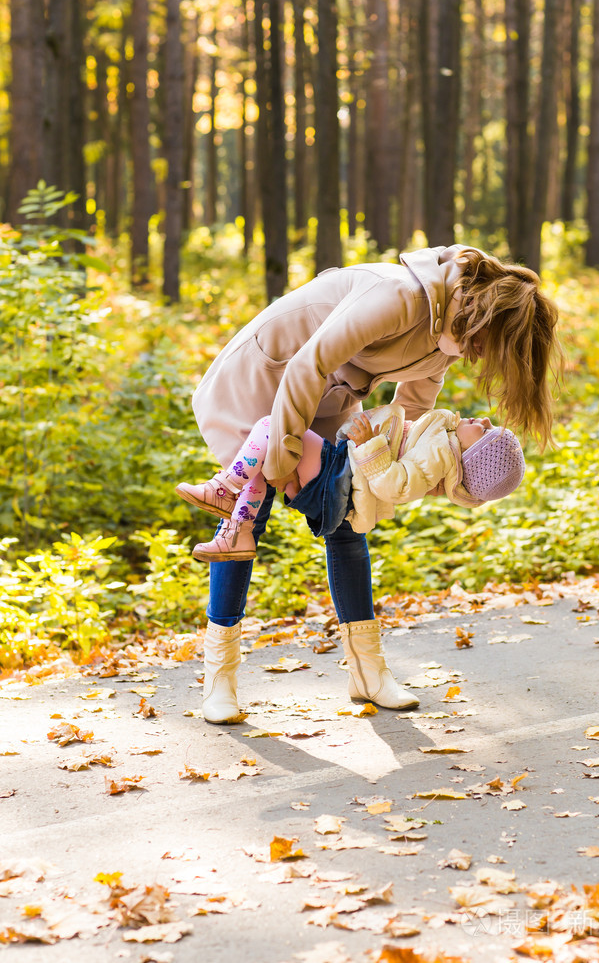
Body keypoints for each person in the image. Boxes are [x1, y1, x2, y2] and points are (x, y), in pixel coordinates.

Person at [186, 244, 560, 725]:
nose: (485, 357)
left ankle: (368, 671)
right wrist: (281, 457)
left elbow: (413, 416)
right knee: (245, 519)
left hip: (325, 394)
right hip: (269, 377)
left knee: (348, 522)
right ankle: (220, 679)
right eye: (495, 344)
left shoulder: (448, 335)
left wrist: (403, 474)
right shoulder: (400, 297)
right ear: (485, 314)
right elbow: (306, 364)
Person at [176, 409, 525, 562]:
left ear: (470, 455)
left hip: (338, 475)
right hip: (340, 476)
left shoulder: (440, 455)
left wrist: (371, 444)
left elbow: (395, 486)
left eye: (485, 431)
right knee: (267, 465)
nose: (483, 419)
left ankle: (223, 489)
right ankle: (239, 532)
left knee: (273, 427)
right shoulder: (440, 443)